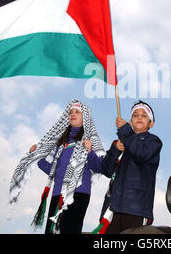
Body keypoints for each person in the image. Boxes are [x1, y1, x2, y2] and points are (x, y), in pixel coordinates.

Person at [12, 99, 105, 234]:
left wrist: (90, 151)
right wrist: (36, 157)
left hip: (78, 193)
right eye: (71, 112)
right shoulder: (62, 141)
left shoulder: (91, 138)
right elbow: (53, 171)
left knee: (69, 231)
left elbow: (99, 167)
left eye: (77, 112)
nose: (73, 114)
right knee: (51, 231)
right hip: (57, 193)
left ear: (85, 117)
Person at [101, 100, 163, 234]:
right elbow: (106, 170)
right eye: (135, 115)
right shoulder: (121, 142)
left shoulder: (153, 142)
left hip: (136, 209)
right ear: (130, 121)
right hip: (112, 209)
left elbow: (140, 154)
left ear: (151, 124)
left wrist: (126, 131)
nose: (139, 117)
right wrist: (115, 149)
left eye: (144, 115)